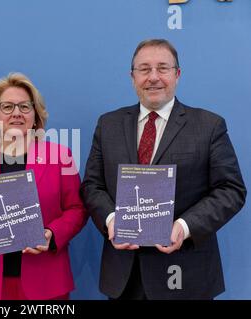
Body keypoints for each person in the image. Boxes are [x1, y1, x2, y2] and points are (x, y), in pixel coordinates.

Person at [81, 39, 246, 299]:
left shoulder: (209, 125)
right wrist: (112, 221)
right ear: (132, 76)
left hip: (185, 272)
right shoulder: (108, 124)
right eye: (144, 69)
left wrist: (184, 226)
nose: (153, 77)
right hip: (124, 275)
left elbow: (231, 190)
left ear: (177, 74)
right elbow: (92, 186)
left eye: (163, 68)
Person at [0, 73, 87, 300]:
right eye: (7, 107)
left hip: (46, 281)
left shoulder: (59, 157)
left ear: (35, 115)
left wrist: (52, 234)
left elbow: (78, 209)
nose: (16, 113)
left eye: (25, 107)